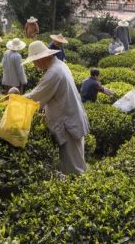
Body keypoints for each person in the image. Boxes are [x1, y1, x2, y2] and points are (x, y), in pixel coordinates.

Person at [24, 41, 90, 175]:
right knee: (75, 161)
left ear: (41, 58)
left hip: (68, 123)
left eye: (34, 61)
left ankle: (80, 191)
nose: (34, 65)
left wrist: (16, 99)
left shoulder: (53, 73)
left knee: (74, 168)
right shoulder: (60, 65)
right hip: (71, 119)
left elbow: (36, 96)